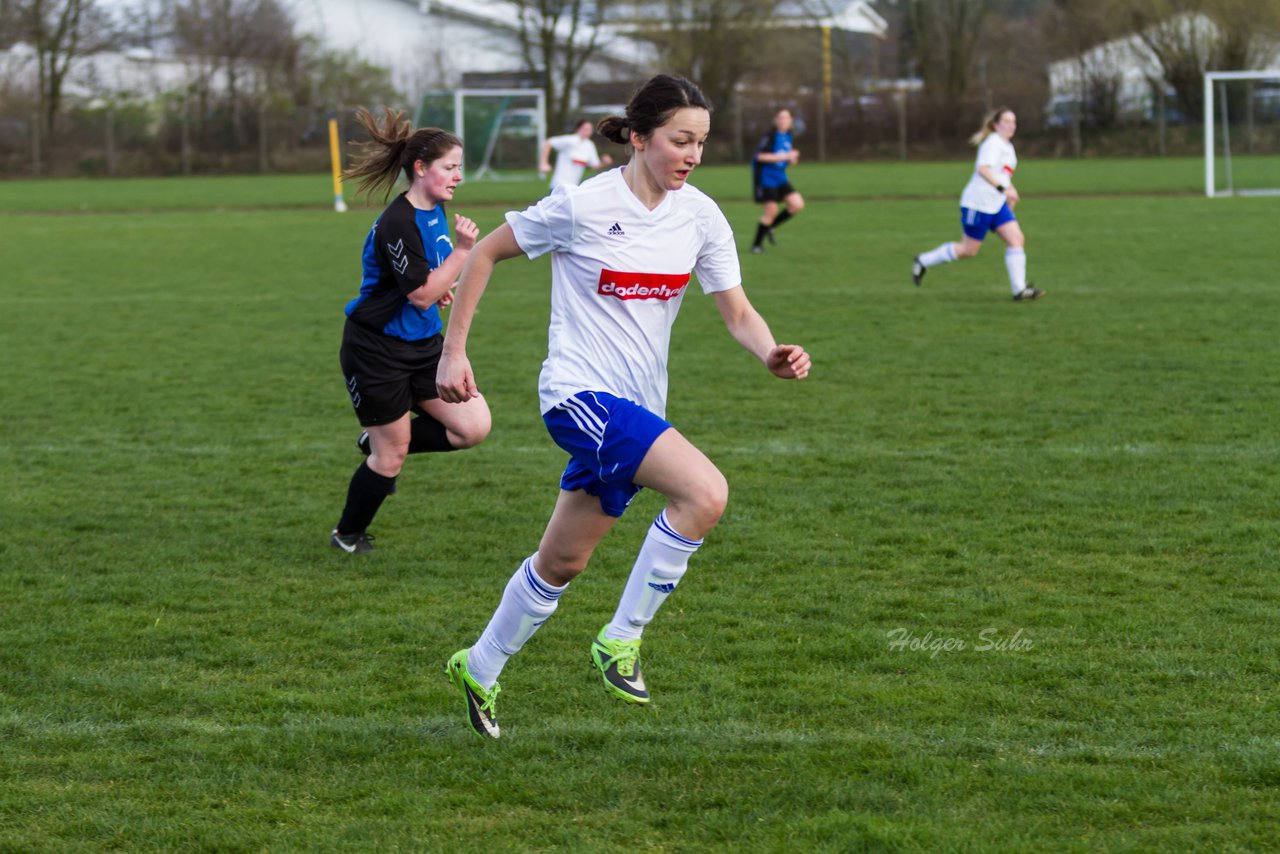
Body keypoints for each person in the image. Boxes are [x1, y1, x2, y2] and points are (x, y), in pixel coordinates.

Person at [436, 74, 811, 739]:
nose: (692, 154)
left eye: (700, 141)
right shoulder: (582, 205)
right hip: (578, 397)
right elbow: (487, 253)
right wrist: (452, 353)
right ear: (639, 138)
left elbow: (737, 312)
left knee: (563, 563)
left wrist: (771, 353)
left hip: (637, 408)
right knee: (705, 493)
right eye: (679, 140)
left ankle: (481, 663)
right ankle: (621, 639)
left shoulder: (701, 216)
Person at [330, 108, 492, 554]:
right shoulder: (398, 221)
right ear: (421, 168)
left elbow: (422, 283)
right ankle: (347, 535)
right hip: (375, 350)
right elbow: (419, 293)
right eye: (450, 167)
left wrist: (440, 283)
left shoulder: (436, 209)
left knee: (473, 426)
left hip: (424, 346)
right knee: (391, 456)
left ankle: (377, 437)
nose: (458, 176)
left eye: (459, 167)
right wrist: (463, 253)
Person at [911, 107, 1044, 301]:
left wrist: (1010, 190)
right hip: (977, 204)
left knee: (1016, 240)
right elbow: (982, 169)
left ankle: (1019, 290)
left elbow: (1002, 175)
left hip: (996, 204)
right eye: (1006, 121)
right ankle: (923, 261)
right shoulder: (992, 144)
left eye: (1013, 122)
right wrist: (1002, 189)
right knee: (969, 250)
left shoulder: (1007, 147)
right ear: (995, 125)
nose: (1011, 125)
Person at [749, 107, 805, 254]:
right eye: (780, 117)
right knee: (771, 211)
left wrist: (792, 159)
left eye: (786, 117)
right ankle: (756, 245)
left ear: (791, 120)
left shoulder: (788, 135)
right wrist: (786, 156)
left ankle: (771, 227)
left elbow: (786, 159)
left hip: (780, 177)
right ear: (775, 120)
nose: (783, 120)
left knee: (797, 204)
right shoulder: (770, 135)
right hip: (766, 178)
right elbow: (760, 156)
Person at [539, 118, 613, 189]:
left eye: (590, 130)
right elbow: (548, 143)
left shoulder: (589, 145)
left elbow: (594, 166)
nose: (588, 132)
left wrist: (604, 163)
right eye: (585, 129)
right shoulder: (570, 140)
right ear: (578, 129)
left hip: (573, 188)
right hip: (558, 186)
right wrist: (543, 163)